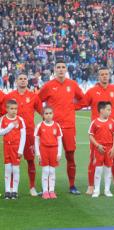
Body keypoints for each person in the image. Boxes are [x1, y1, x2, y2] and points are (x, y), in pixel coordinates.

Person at [75, 67, 114, 195]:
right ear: (98, 76)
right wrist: (67, 107)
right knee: (93, 159)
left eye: (106, 74)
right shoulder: (92, 91)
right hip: (96, 132)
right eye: (101, 74)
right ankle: (91, 186)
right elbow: (81, 104)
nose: (104, 76)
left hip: (112, 131)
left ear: (109, 76)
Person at [39, 59, 84, 195]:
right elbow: (37, 101)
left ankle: (72, 185)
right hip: (52, 128)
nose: (60, 69)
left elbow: (82, 99)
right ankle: (47, 188)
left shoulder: (73, 85)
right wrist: (45, 115)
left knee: (70, 156)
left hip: (69, 126)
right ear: (54, 69)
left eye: (63, 67)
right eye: (58, 67)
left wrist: (73, 107)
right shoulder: (48, 86)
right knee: (47, 157)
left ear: (66, 70)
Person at [3, 73, 43, 196]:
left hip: (29, 133)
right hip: (12, 135)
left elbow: (42, 112)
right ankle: (10, 189)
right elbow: (4, 114)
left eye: (25, 79)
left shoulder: (33, 96)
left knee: (30, 160)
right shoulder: (10, 96)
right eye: (20, 79)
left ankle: (32, 187)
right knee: (10, 163)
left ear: (27, 81)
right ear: (16, 81)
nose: (23, 81)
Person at [88, 101, 114, 198]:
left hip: (109, 149)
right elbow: (90, 135)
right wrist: (97, 145)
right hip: (99, 149)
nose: (110, 112)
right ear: (101, 110)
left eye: (110, 110)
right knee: (98, 169)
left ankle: (107, 190)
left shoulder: (112, 122)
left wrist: (113, 147)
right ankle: (96, 190)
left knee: (108, 169)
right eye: (108, 110)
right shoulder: (95, 122)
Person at [34, 106, 63, 199]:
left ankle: (51, 190)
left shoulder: (56, 125)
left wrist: (59, 153)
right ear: (43, 115)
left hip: (53, 150)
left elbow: (59, 140)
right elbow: (36, 140)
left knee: (52, 171)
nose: (48, 115)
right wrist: (38, 153)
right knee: (46, 170)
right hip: (44, 150)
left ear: (53, 114)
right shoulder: (40, 126)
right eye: (46, 113)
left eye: (50, 113)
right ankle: (45, 191)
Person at [0, 99, 26, 199]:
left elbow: (23, 136)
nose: (14, 111)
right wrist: (10, 127)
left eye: (15, 108)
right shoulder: (3, 119)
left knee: (15, 169)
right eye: (11, 108)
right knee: (8, 169)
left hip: (16, 147)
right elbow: (1, 132)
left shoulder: (20, 120)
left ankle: (14, 191)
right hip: (7, 146)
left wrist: (20, 150)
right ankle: (7, 191)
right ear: (7, 109)